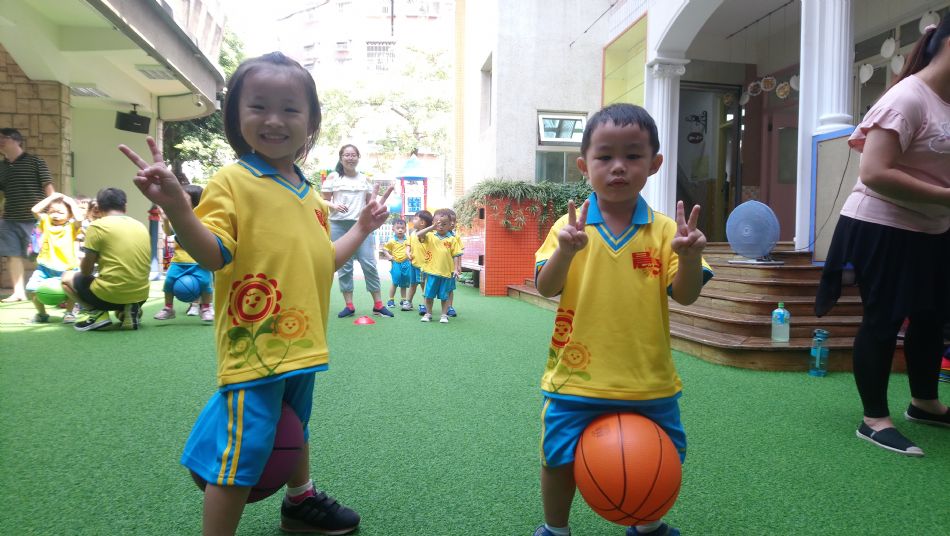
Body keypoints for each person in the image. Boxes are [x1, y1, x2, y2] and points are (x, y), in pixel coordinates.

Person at [118, 51, 392, 535]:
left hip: (303, 341)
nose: (274, 120)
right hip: (256, 345)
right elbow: (213, 255)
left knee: (295, 428)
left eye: (290, 109)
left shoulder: (309, 193)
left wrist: (363, 228)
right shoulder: (232, 181)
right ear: (235, 116)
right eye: (258, 106)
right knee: (239, 455)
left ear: (311, 122)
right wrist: (179, 209)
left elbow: (322, 261)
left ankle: (299, 501)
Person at [532, 103, 711, 536]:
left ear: (654, 164)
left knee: (656, 459)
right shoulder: (568, 228)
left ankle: (647, 527)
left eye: (632, 156)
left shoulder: (666, 231)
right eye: (604, 156)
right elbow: (546, 287)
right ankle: (555, 529)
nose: (618, 167)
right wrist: (565, 252)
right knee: (557, 459)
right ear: (583, 166)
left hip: (649, 380)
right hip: (576, 379)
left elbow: (686, 296)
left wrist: (690, 258)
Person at [815, 16, 950, 457]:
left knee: (930, 318)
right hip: (882, 226)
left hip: (934, 228)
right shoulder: (909, 96)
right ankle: (874, 420)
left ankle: (924, 403)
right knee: (883, 320)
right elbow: (874, 171)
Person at [61, 187, 150, 331]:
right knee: (123, 291)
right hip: (141, 296)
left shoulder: (96, 227)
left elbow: (86, 271)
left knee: (66, 278)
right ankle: (129, 310)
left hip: (108, 296)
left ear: (98, 207)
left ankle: (97, 314)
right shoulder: (140, 226)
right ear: (125, 206)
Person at [321, 144, 393, 318]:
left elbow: (370, 203)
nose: (350, 158)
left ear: (358, 158)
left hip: (361, 225)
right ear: (341, 158)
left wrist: (376, 209)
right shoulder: (333, 177)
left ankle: (378, 305)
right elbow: (324, 200)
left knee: (369, 263)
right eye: (347, 155)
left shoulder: (364, 179)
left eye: (353, 155)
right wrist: (334, 205)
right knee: (344, 266)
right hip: (338, 225)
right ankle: (349, 305)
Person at [0, 128, 55, 302]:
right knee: (12, 255)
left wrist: (53, 210)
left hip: (36, 219)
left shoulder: (35, 161)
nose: (0, 141)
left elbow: (48, 187)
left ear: (17, 140)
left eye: (3, 138)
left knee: (42, 255)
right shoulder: (1, 167)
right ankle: (18, 292)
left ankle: (52, 289)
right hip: (9, 218)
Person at [153, 184, 214, 322]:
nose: (179, 198)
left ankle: (206, 308)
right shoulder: (178, 217)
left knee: (206, 283)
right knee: (168, 282)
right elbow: (168, 233)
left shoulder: (204, 218)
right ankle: (168, 308)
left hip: (199, 262)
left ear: (196, 200)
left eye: (184, 197)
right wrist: (166, 219)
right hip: (179, 261)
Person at [26, 192, 83, 323]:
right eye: (52, 212)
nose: (55, 215)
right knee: (31, 289)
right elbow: (34, 210)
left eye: (60, 212)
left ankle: (69, 313)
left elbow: (79, 219)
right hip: (44, 267)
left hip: (67, 269)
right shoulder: (46, 222)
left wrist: (71, 202)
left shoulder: (72, 227)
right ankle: (42, 314)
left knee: (71, 292)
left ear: (70, 215)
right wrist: (51, 197)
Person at [416, 208, 462, 324]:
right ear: (433, 223)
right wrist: (432, 227)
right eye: (438, 223)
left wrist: (456, 268)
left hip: (446, 273)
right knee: (428, 295)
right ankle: (428, 313)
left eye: (444, 224)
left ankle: (444, 315)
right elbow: (418, 234)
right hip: (432, 272)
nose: (441, 226)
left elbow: (456, 255)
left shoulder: (452, 239)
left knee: (444, 296)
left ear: (450, 225)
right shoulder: (430, 236)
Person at [380, 218, 412, 310]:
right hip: (396, 263)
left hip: (406, 263)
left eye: (402, 228)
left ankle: (403, 300)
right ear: (393, 229)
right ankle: (391, 300)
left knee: (404, 282)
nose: (400, 230)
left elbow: (412, 249)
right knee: (395, 281)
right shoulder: (392, 241)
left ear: (405, 229)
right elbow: (384, 249)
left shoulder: (408, 240)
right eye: (398, 228)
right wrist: (389, 256)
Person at [406, 209, 432, 315]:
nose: (413, 220)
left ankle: (425, 304)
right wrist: (407, 252)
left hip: (423, 266)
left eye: (415, 218)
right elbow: (408, 245)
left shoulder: (427, 234)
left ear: (422, 223)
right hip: (413, 264)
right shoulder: (412, 233)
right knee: (412, 284)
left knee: (423, 285)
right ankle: (408, 302)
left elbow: (421, 236)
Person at [443, 208, 462, 317]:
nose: (453, 223)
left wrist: (458, 266)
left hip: (451, 268)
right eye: (450, 221)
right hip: (437, 267)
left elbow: (459, 253)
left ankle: (449, 307)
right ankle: (427, 307)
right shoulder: (436, 235)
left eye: (454, 221)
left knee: (450, 288)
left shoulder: (455, 237)